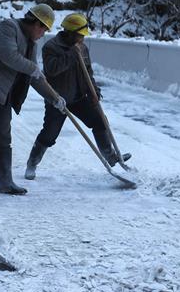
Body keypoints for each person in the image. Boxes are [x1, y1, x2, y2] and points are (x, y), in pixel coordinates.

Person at [0, 3, 64, 197]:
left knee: (3, 140)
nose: (43, 33)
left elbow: (34, 76)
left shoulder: (31, 45)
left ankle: (5, 182)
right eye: (42, 27)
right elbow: (8, 56)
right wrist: (32, 68)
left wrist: (54, 98)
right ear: (33, 21)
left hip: (4, 95)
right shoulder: (8, 28)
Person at [24, 13, 130, 180]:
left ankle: (111, 158)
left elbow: (88, 72)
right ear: (70, 33)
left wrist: (94, 91)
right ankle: (32, 163)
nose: (82, 38)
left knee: (100, 121)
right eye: (80, 35)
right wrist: (72, 55)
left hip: (80, 97)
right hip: (58, 98)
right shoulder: (51, 47)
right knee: (49, 134)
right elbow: (52, 70)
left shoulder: (82, 47)